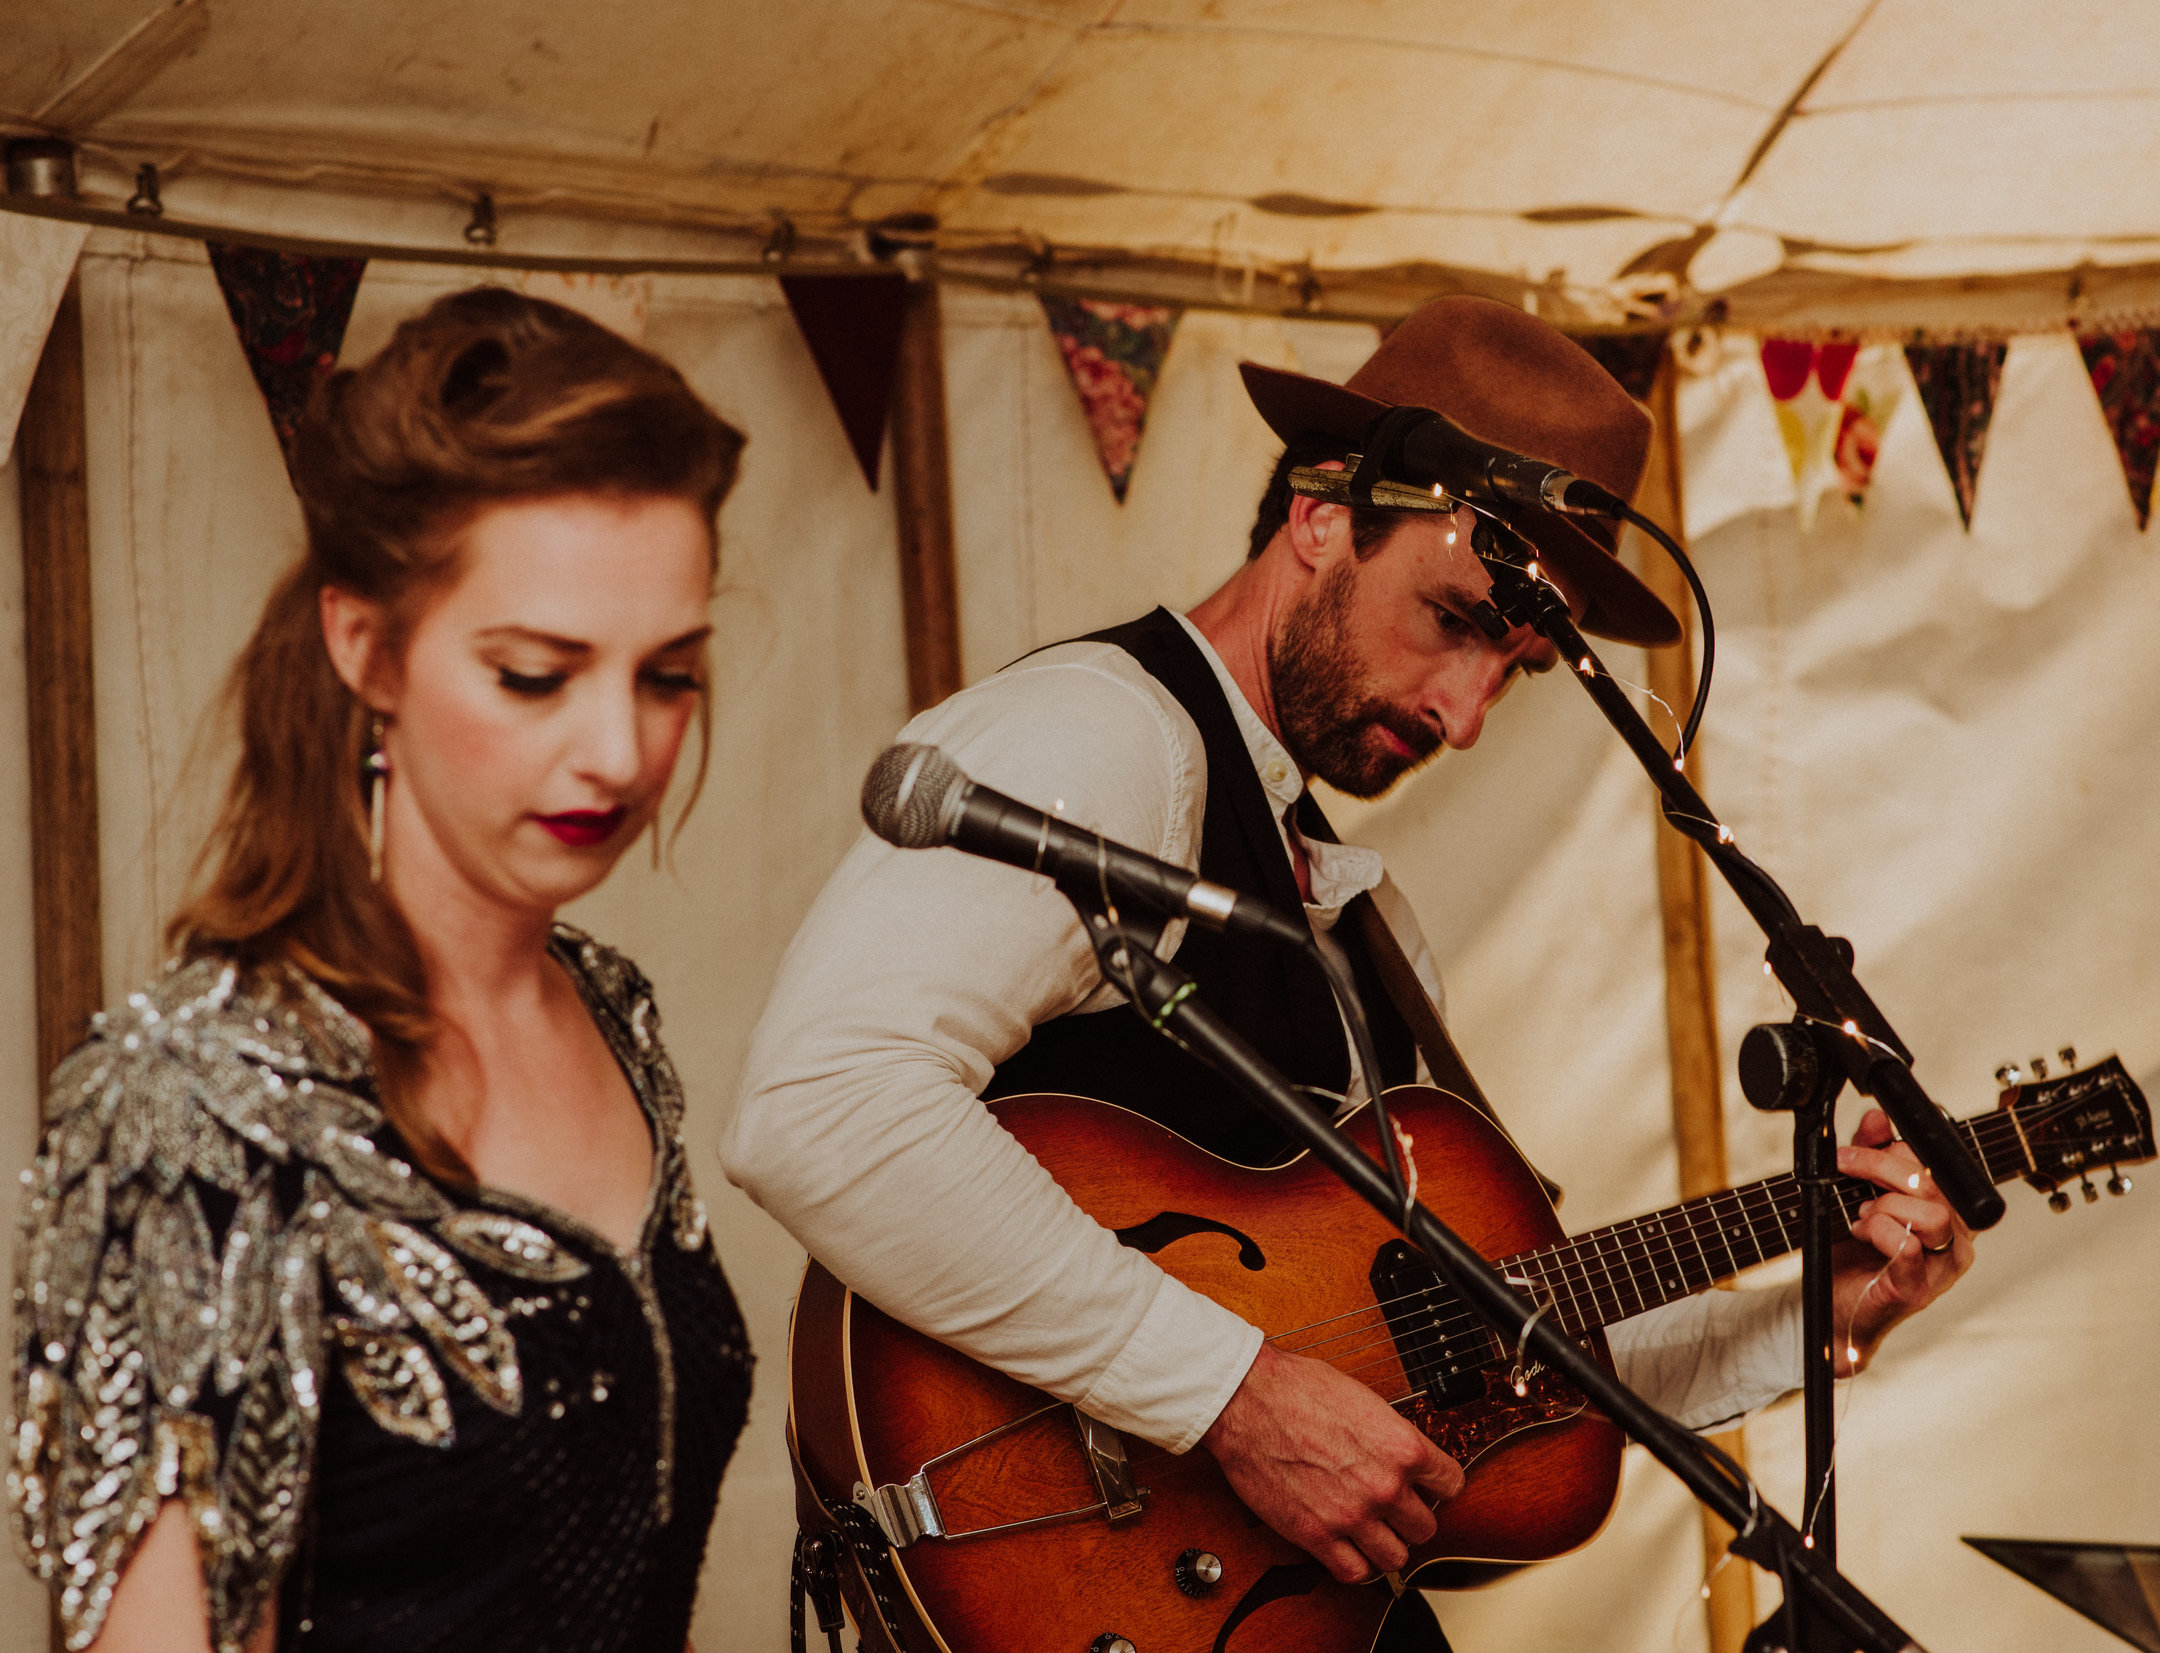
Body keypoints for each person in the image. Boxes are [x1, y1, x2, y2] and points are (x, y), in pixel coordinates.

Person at [725, 295, 1972, 1648]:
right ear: (1322, 513)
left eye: (1519, 665)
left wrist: (1828, 1311)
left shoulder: (1350, 911)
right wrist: (1233, 1394)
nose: (1465, 713)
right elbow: (822, 1104)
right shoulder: (1108, 738)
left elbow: (1507, 1369)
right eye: (1455, 618)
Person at [10, 288, 755, 1653]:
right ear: (367, 646)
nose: (616, 748)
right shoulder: (190, 1100)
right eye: (536, 673)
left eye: (669, 676)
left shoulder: (612, 1008)